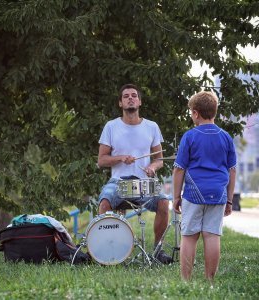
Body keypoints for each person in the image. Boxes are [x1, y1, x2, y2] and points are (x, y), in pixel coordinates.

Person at [97, 83, 172, 264]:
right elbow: (101, 160)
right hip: (118, 182)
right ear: (120, 104)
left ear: (140, 102)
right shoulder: (111, 126)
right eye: (126, 96)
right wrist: (120, 158)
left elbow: (159, 159)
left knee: (163, 202)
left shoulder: (152, 127)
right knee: (104, 203)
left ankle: (158, 251)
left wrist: (152, 168)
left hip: (143, 183)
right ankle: (105, 251)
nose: (130, 98)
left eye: (133, 95)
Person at [172, 91, 236, 281]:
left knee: (189, 236)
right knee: (212, 236)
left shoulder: (190, 136)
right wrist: (230, 199)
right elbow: (232, 170)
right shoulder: (226, 137)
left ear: (196, 113)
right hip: (218, 194)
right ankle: (210, 281)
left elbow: (178, 169)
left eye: (191, 112)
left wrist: (176, 197)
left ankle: (186, 281)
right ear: (214, 112)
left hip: (193, 193)